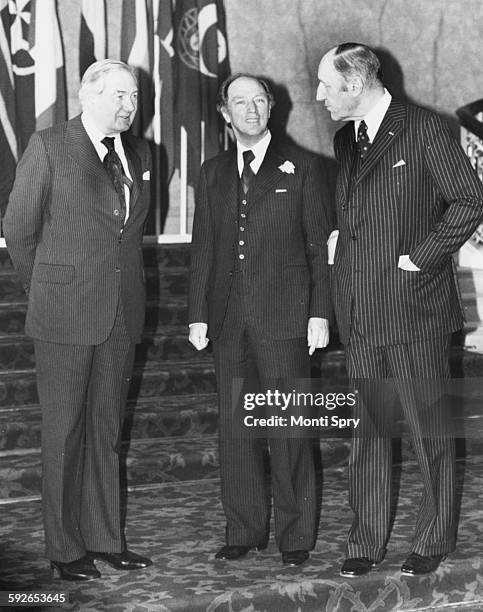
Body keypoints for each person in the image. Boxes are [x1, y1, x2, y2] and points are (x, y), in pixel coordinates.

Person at [316, 43, 483, 577]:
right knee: (368, 432)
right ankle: (365, 541)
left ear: (357, 84)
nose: (318, 95)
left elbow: (470, 199)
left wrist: (422, 259)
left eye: (326, 85)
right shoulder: (347, 140)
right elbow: (362, 208)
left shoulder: (425, 128)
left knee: (428, 430)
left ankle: (435, 538)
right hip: (361, 311)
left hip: (414, 309)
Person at [3, 59, 153, 581]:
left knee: (105, 432)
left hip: (120, 315)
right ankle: (65, 551)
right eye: (118, 95)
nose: (128, 106)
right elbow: (19, 232)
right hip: (65, 315)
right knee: (64, 433)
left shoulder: (138, 153)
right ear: (87, 95)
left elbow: (125, 235)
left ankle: (106, 540)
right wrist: (49, 288)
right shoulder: (49, 146)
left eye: (133, 97)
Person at [188, 73, 332, 566]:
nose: (250, 110)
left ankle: (296, 536)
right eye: (239, 103)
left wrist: (319, 312)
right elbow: (203, 249)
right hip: (230, 323)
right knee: (237, 428)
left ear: (271, 108)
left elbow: (319, 247)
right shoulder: (211, 173)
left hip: (286, 319)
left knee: (289, 429)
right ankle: (244, 529)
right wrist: (198, 316)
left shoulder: (307, 168)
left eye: (258, 101)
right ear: (224, 114)